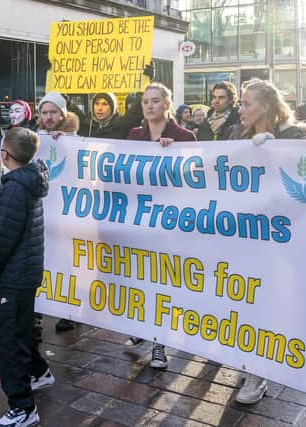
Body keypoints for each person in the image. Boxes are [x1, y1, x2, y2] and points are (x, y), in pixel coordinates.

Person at [226, 79, 306, 404]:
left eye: (246, 103)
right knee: (244, 300)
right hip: (244, 235)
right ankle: (250, 362)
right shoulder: (237, 135)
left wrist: (275, 153)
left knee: (265, 302)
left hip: (278, 238)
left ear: (265, 106)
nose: (241, 109)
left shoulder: (297, 135)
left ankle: (258, 374)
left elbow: (300, 183)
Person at [0, 127, 53, 427]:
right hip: (27, 270)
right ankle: (40, 372)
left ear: (5, 155)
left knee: (10, 341)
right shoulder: (30, 179)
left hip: (17, 275)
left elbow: (3, 238)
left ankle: (22, 407)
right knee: (21, 331)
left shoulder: (15, 187)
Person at [127, 82, 196, 369]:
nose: (150, 105)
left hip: (170, 223)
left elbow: (196, 177)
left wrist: (173, 155)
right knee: (142, 280)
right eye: (145, 101)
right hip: (141, 219)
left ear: (167, 104)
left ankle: (160, 344)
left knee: (163, 284)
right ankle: (144, 329)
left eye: (156, 101)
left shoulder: (185, 136)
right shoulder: (134, 135)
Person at [36, 91, 80, 334]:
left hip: (65, 213)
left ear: (63, 114)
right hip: (40, 211)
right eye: (45, 112)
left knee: (66, 262)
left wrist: (67, 142)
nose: (49, 117)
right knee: (38, 261)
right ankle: (37, 311)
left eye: (54, 112)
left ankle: (68, 311)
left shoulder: (75, 138)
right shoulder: (34, 137)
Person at [69, 92, 144, 139]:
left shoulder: (122, 126)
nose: (100, 108)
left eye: (105, 104)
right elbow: (68, 106)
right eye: (97, 104)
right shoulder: (84, 124)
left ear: (112, 108)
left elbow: (136, 112)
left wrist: (144, 86)